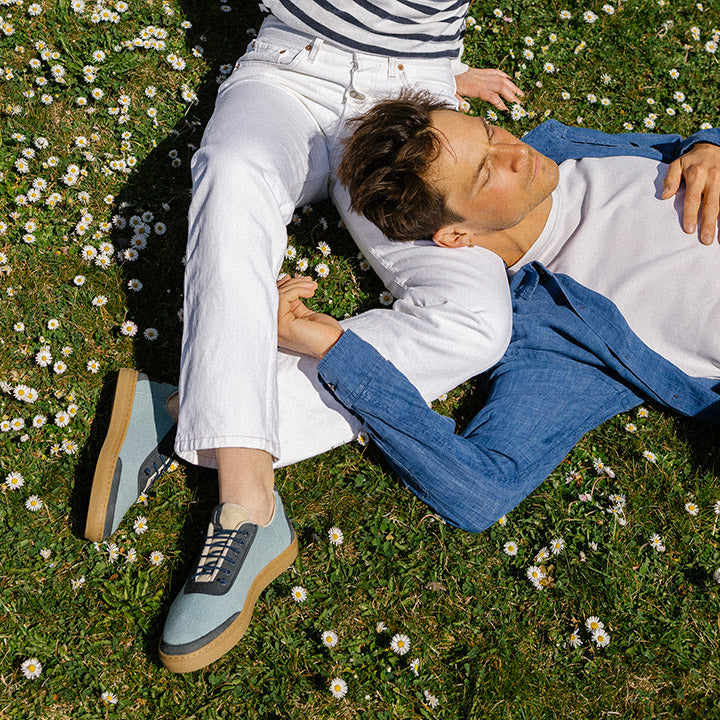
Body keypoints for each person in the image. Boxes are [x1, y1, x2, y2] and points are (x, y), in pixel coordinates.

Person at [83, 5, 527, 673]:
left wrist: (441, 60)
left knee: (477, 320)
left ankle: (181, 408)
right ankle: (248, 502)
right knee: (236, 173)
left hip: (412, 107)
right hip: (292, 69)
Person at [273, 93, 720, 535]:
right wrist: (336, 351)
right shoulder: (552, 339)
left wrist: (708, 144)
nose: (517, 152)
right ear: (455, 236)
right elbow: (481, 490)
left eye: (489, 132)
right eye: (486, 173)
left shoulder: (568, 149)